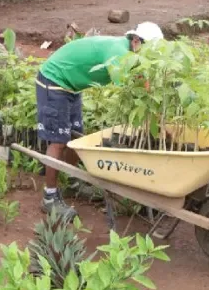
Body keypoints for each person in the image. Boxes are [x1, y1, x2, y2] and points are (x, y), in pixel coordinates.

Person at [36, 22, 164, 219]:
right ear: (136, 41)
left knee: (75, 139)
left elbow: (142, 81)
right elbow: (129, 87)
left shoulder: (131, 53)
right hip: (54, 80)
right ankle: (49, 198)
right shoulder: (119, 53)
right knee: (59, 141)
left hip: (71, 86)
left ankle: (72, 182)